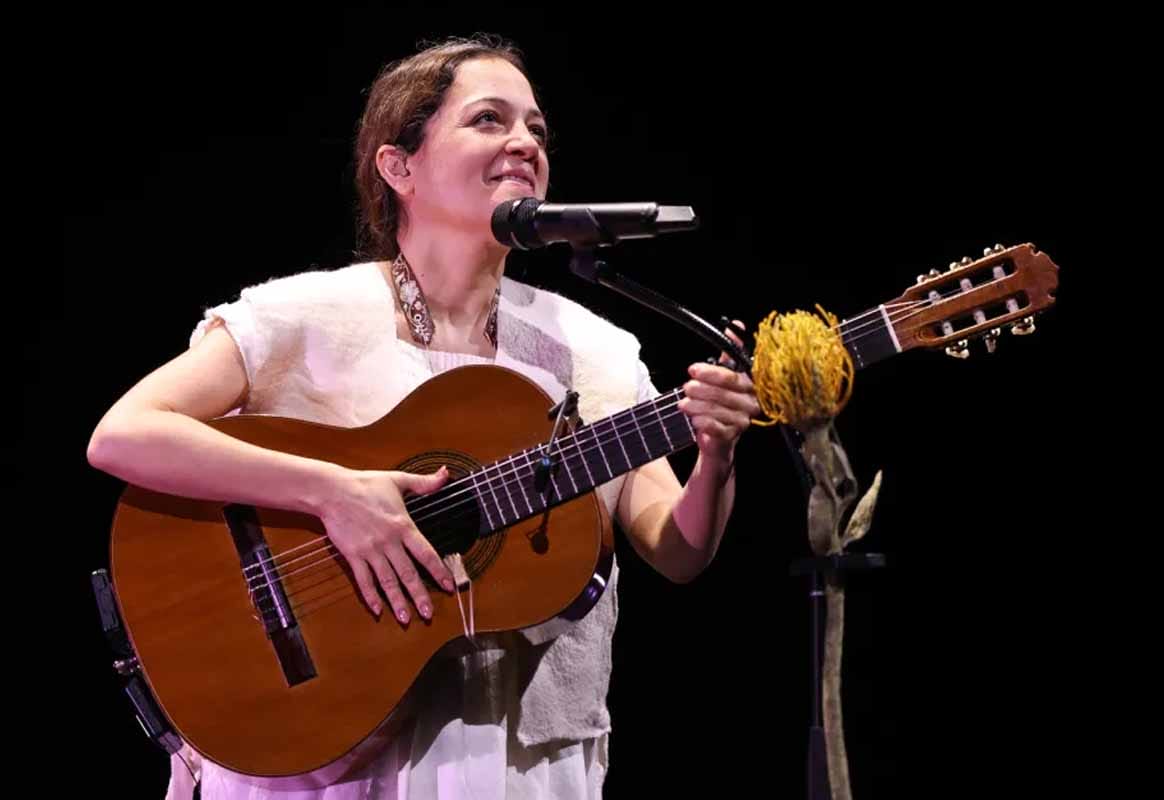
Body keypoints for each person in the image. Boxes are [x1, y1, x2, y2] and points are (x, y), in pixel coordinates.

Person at [87, 33, 761, 799]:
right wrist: (334, 494)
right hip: (325, 753)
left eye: (537, 128)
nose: (524, 142)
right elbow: (125, 435)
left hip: (522, 763)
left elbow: (677, 548)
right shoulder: (308, 316)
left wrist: (717, 454)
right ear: (397, 166)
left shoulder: (596, 351)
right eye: (489, 119)